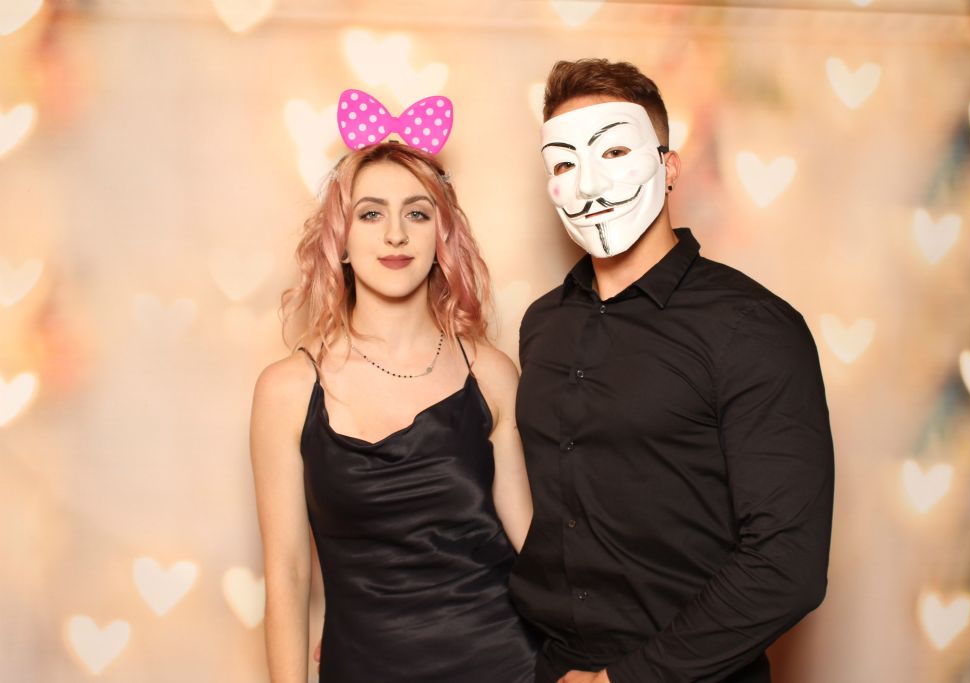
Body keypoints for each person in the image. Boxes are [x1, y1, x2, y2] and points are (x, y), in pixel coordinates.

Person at [509, 59, 835, 683]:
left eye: (613, 153)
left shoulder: (752, 328)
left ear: (670, 167)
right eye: (564, 165)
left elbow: (786, 564)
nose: (588, 183)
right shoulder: (542, 325)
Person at [249, 129, 537, 681]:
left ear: (441, 236)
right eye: (371, 214)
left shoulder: (492, 374)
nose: (397, 234)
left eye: (417, 214)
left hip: (505, 661)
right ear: (340, 240)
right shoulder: (286, 391)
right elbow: (287, 574)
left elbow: (534, 548)